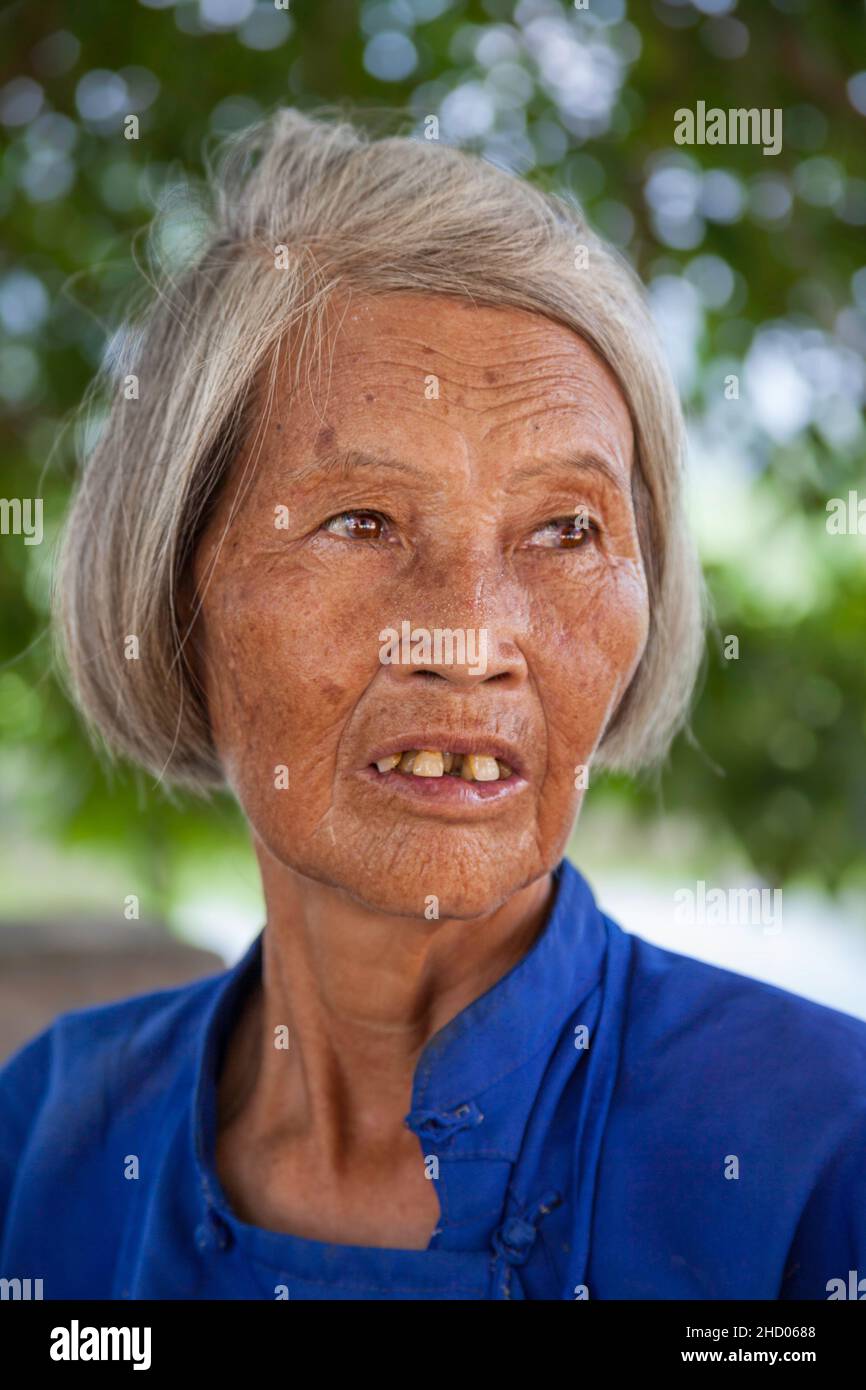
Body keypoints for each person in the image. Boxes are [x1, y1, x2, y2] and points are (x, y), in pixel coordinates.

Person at [1, 109, 863, 1300]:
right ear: (171, 578)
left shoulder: (823, 1152)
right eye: (359, 523)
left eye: (565, 529)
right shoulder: (45, 1140)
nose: (466, 638)